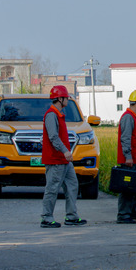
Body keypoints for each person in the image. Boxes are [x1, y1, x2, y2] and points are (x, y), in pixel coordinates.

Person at [40, 85, 86, 228]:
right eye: (66, 97)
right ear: (60, 99)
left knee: (72, 185)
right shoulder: (51, 115)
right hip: (56, 159)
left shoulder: (58, 115)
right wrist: (66, 151)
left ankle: (71, 216)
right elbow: (53, 137)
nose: (67, 99)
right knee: (52, 189)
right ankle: (46, 218)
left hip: (64, 161)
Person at [115, 90, 136, 224]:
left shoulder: (132, 117)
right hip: (130, 161)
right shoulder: (128, 117)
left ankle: (134, 210)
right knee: (127, 188)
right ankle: (124, 214)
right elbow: (125, 138)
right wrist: (128, 156)